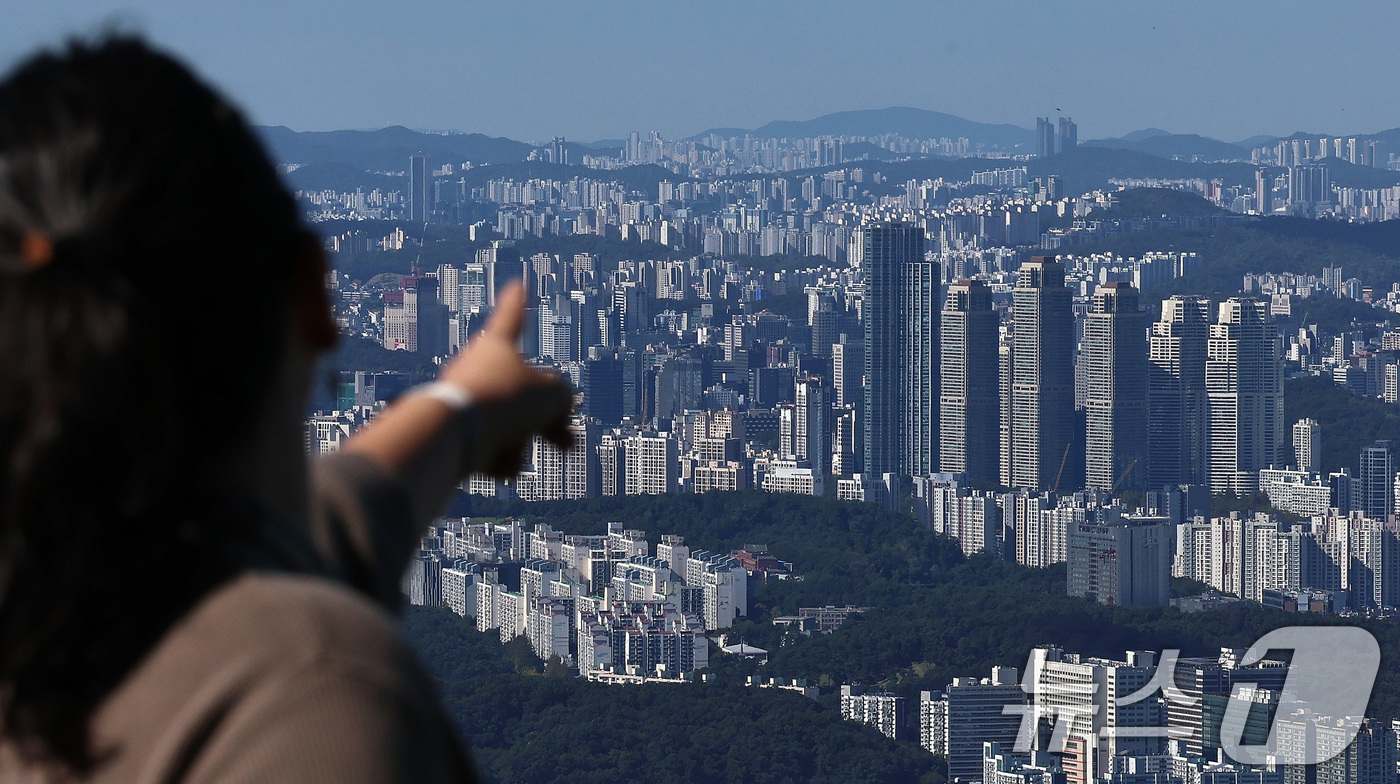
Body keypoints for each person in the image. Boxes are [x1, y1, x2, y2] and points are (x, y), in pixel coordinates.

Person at [0, 37, 573, 783]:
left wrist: (464, 410)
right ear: (313, 294)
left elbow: (316, 534)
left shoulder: (60, 604)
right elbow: (273, 606)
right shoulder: (318, 695)